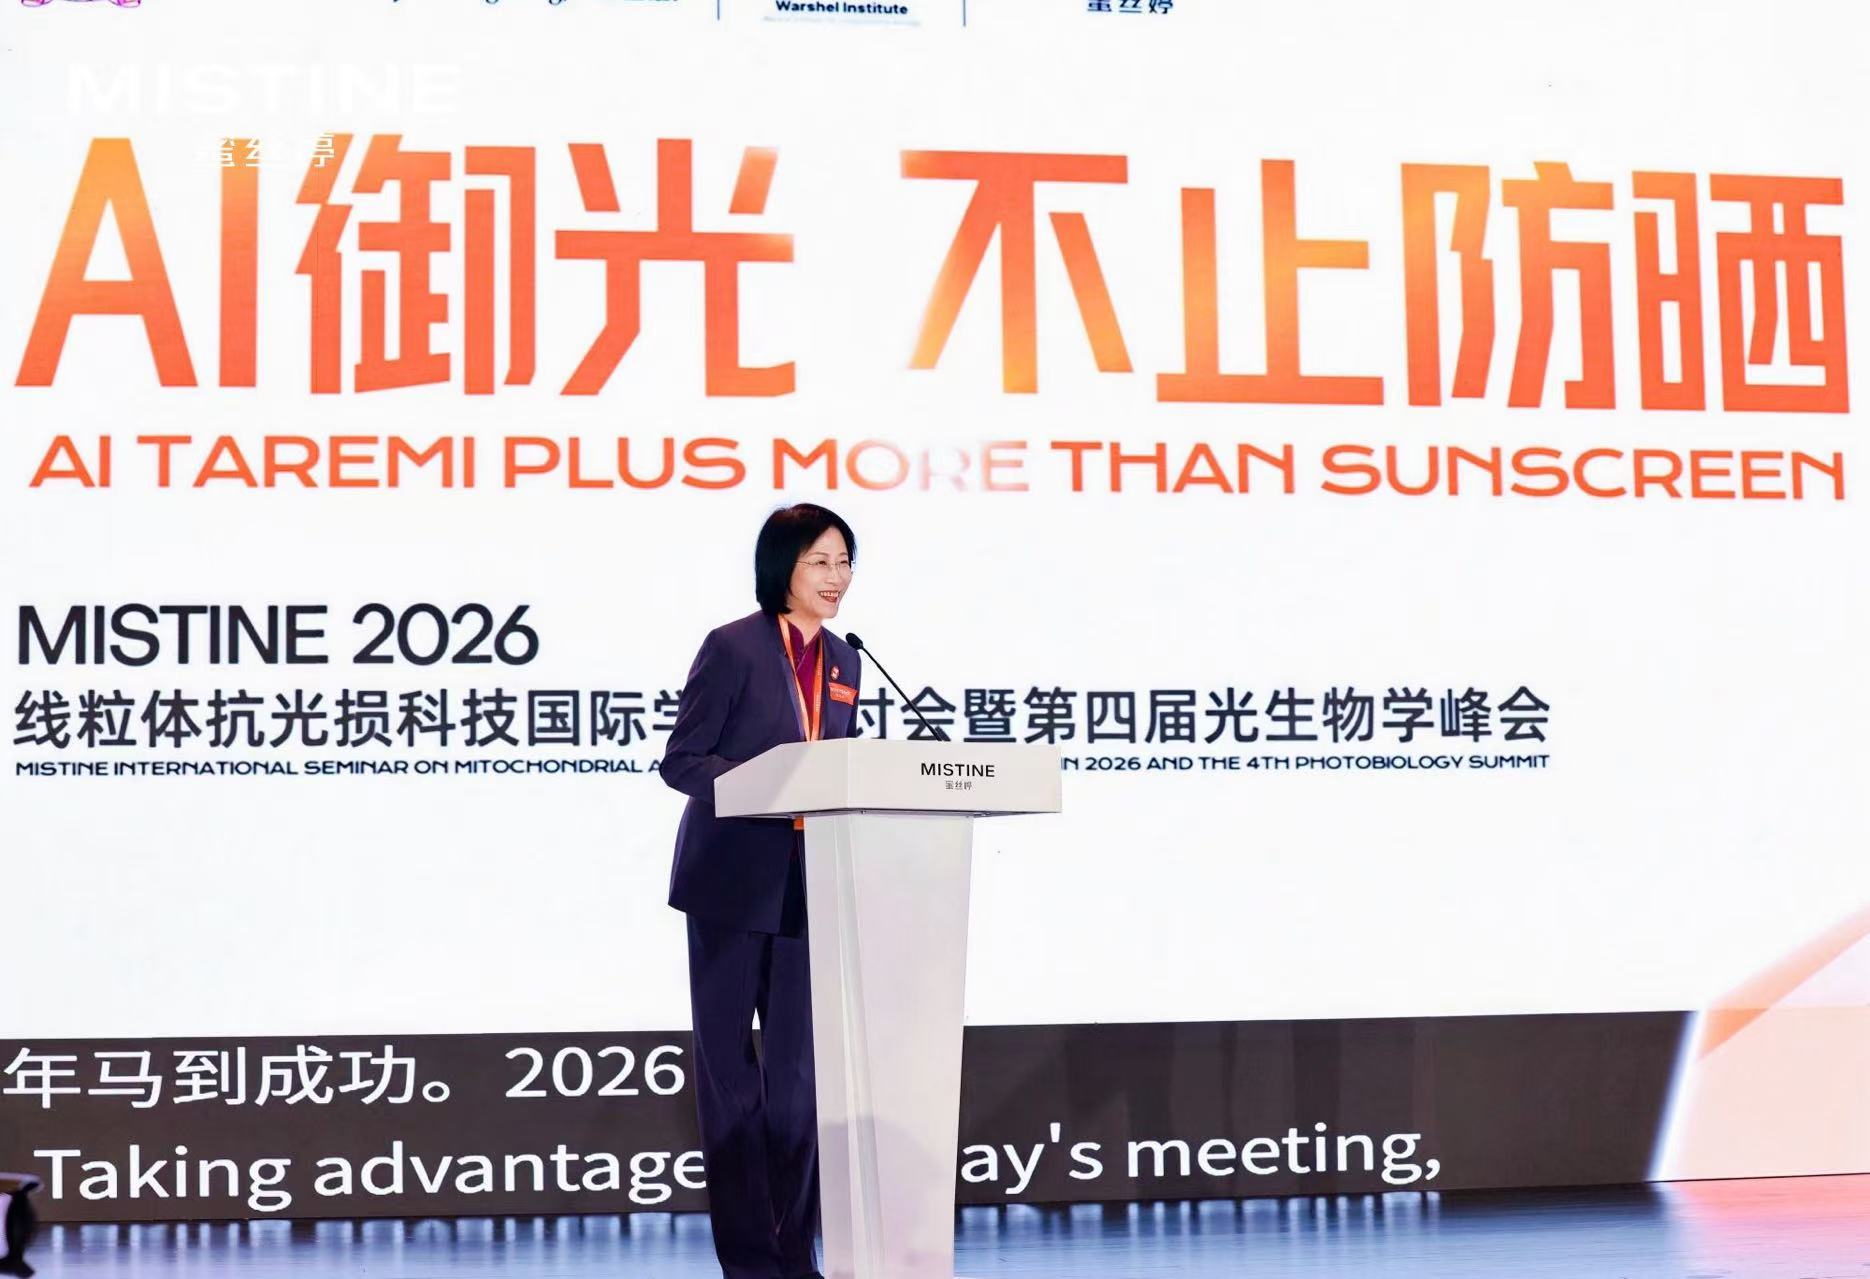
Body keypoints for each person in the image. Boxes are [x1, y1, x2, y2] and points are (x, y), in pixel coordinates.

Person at [662, 503, 863, 1279]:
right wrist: (764, 786)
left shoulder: (845, 660)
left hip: (808, 885)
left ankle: (794, 1253)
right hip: (729, 882)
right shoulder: (733, 647)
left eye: (844, 561)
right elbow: (684, 760)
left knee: (796, 1085)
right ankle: (749, 1260)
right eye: (821, 561)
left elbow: (836, 763)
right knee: (730, 1078)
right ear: (782, 565)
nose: (837, 577)